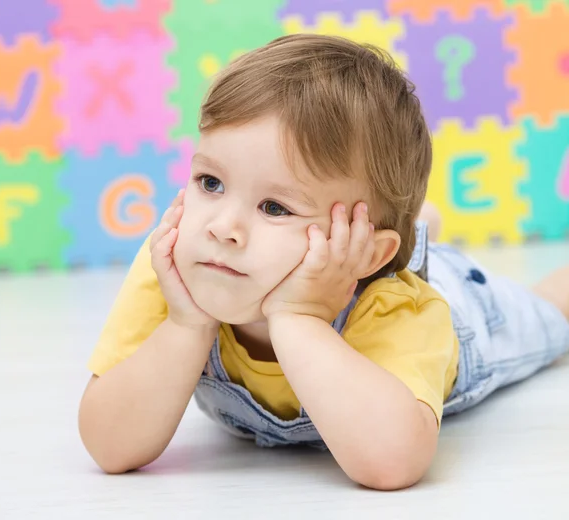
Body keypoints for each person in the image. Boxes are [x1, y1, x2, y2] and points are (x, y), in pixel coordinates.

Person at [78, 34, 569, 490]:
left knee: (551, 312)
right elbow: (109, 445)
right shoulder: (179, 266)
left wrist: (299, 319)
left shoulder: (396, 308)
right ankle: (415, 229)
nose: (222, 226)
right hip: (371, 250)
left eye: (275, 207)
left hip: (462, 307)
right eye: (211, 183)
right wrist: (186, 326)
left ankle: (414, 243)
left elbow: (393, 462)